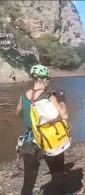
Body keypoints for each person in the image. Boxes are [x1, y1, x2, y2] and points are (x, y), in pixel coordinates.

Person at [16, 64, 68, 195]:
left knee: (28, 182)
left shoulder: (23, 96)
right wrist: (62, 99)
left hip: (29, 142)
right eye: (47, 79)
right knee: (57, 175)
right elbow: (64, 115)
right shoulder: (48, 95)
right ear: (44, 79)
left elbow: (18, 113)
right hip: (48, 140)